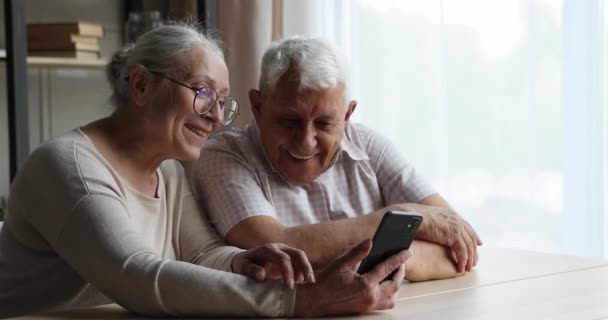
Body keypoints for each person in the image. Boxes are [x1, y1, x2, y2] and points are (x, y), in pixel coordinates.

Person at [0, 24, 410, 319]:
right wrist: (301, 302)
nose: (216, 117)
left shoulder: (170, 174)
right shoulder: (67, 165)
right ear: (141, 86)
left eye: (223, 102)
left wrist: (246, 262)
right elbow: (138, 276)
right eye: (202, 94)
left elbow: (202, 254)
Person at [190, 36, 483, 281]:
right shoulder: (223, 156)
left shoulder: (369, 145)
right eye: (289, 122)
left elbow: (459, 250)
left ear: (347, 116)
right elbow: (273, 243)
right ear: (258, 106)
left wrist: (367, 264)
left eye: (325, 124)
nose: (306, 141)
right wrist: (397, 221)